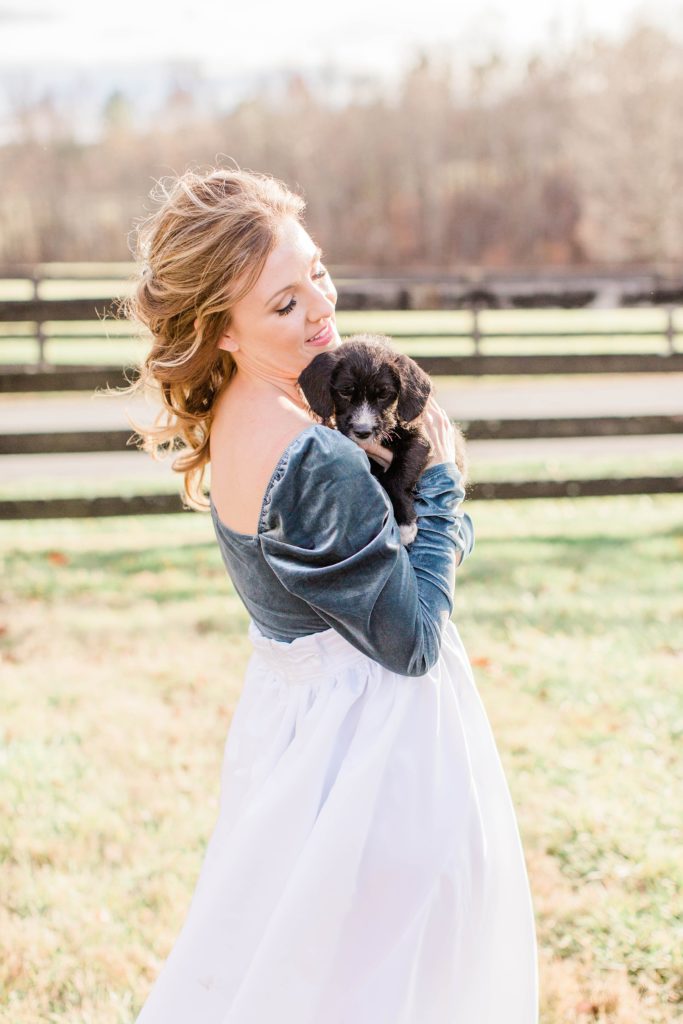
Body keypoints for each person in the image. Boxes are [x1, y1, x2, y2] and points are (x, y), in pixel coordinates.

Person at [124, 164, 538, 1023]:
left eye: (315, 270)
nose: (320, 308)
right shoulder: (308, 457)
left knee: (292, 962)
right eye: (283, 303)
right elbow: (412, 640)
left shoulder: (246, 408)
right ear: (221, 330)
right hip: (371, 747)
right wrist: (445, 489)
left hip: (297, 732)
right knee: (389, 981)